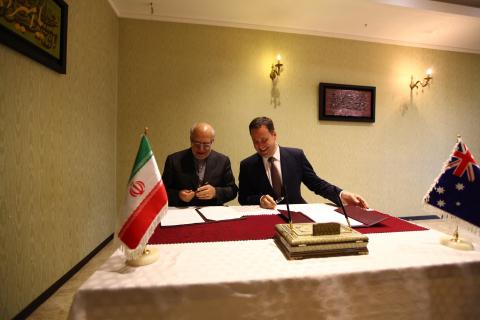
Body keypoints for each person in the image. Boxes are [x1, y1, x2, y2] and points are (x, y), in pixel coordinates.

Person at [238, 116, 368, 209]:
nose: (260, 146)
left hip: (298, 215)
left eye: (264, 140)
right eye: (256, 141)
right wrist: (260, 199)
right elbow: (243, 198)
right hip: (265, 219)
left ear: (274, 135)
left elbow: (316, 184)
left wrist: (342, 194)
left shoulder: (296, 156)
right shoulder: (247, 165)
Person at [163, 122, 238, 207]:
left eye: (206, 144)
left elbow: (233, 190)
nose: (201, 149)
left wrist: (216, 192)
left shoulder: (223, 161)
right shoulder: (173, 160)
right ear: (191, 140)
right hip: (182, 212)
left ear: (212, 141)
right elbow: (161, 192)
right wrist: (179, 195)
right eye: (197, 144)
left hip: (213, 212)